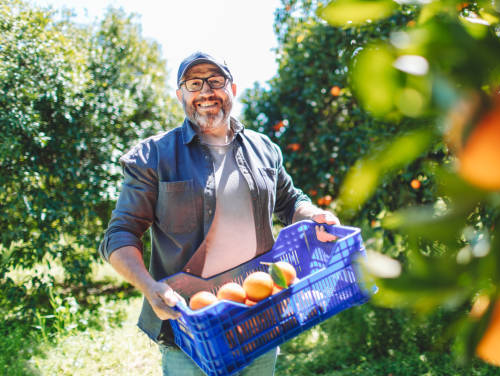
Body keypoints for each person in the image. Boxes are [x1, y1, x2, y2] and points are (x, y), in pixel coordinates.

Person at [99, 51, 340, 376]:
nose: (206, 91)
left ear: (233, 89)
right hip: (191, 333)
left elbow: (290, 201)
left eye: (216, 81)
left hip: (261, 320)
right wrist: (148, 286)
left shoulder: (264, 149)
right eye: (194, 83)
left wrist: (314, 216)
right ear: (180, 94)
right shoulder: (154, 156)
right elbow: (120, 235)